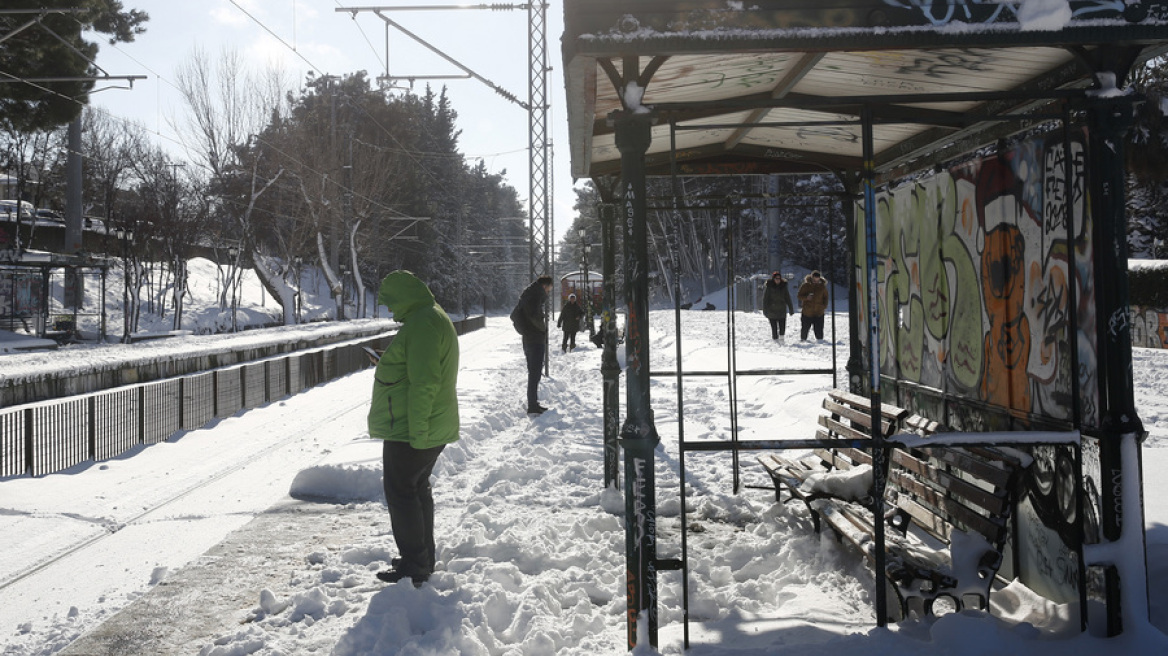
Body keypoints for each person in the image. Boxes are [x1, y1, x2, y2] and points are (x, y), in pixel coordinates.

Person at [368, 270, 460, 588]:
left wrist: (418, 433)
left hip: (412, 427)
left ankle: (414, 564)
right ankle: (421, 558)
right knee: (417, 490)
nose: (391, 310)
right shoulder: (429, 317)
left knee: (402, 493)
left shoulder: (422, 324)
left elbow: (425, 382)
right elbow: (418, 370)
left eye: (392, 303)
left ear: (405, 296)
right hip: (421, 424)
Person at [511, 275, 553, 414]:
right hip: (535, 338)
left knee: (533, 372)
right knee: (534, 373)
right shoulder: (535, 296)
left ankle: (533, 403)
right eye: (549, 289)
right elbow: (534, 316)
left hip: (529, 338)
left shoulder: (528, 294)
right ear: (544, 286)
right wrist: (543, 329)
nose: (549, 292)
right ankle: (532, 405)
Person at [762, 272, 794, 343]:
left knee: (782, 327)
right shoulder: (769, 287)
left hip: (781, 310)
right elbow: (765, 299)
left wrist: (791, 309)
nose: (778, 280)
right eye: (776, 278)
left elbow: (787, 298)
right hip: (772, 311)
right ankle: (775, 341)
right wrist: (765, 310)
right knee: (774, 328)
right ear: (773, 279)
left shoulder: (783, 287)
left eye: (779, 278)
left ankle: (782, 340)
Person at [797, 270, 829, 341]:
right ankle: (803, 341)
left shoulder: (822, 287)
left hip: (819, 312)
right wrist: (806, 298)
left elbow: (826, 297)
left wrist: (824, 306)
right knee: (805, 329)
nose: (816, 281)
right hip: (807, 312)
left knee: (819, 330)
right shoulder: (805, 285)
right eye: (814, 279)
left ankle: (820, 342)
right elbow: (799, 296)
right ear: (811, 278)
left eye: (817, 279)